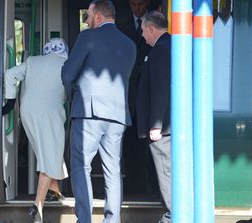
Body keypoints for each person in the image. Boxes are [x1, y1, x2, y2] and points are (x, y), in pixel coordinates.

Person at [61, 1, 136, 222]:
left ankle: (84, 219)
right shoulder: (130, 44)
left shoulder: (87, 37)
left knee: (81, 166)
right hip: (117, 116)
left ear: (99, 17)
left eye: (89, 16)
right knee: (113, 170)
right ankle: (112, 220)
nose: (87, 21)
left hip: (89, 113)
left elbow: (68, 74)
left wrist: (73, 97)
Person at [3, 38, 69, 223]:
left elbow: (9, 75)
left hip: (28, 112)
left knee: (47, 151)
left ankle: (54, 190)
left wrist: (10, 102)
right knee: (49, 154)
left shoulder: (33, 61)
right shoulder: (67, 63)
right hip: (51, 113)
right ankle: (38, 206)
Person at [116, 0, 161, 195]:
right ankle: (132, 184)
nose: (138, 9)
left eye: (141, 4)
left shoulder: (155, 27)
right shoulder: (121, 25)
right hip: (125, 97)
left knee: (146, 147)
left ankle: (148, 187)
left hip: (146, 98)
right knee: (127, 144)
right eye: (134, 4)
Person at [136, 11, 171, 223]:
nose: (142, 36)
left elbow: (160, 89)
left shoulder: (160, 50)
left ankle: (173, 214)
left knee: (166, 171)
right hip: (169, 124)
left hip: (164, 128)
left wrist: (156, 124)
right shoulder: (170, 45)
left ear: (151, 28)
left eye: (143, 31)